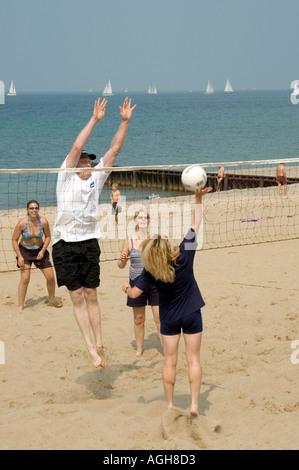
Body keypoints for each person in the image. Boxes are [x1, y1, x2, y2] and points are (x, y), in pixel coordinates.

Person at [52, 97, 136, 368]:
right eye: (85, 161)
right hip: (64, 244)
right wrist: (95, 119)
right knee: (76, 297)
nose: (88, 164)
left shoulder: (96, 179)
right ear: (76, 164)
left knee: (91, 295)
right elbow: (76, 146)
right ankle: (90, 348)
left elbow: (114, 150)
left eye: (90, 161)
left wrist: (124, 122)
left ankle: (100, 343)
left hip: (89, 242)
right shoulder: (65, 177)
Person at [122, 185, 212, 416]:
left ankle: (171, 406)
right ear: (167, 246)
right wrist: (198, 197)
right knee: (193, 360)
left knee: (170, 362)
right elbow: (196, 222)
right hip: (192, 314)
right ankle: (193, 404)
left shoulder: (151, 270)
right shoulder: (184, 255)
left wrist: (125, 287)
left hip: (169, 318)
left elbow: (133, 294)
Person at [118, 210, 160, 356]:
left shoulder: (155, 239)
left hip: (154, 282)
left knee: (159, 318)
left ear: (148, 221)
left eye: (145, 217)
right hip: (136, 282)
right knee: (138, 319)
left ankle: (167, 347)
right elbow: (121, 265)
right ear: (135, 221)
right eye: (140, 217)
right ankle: (139, 348)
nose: (143, 220)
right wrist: (122, 260)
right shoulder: (128, 241)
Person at [12, 200, 63, 312]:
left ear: (38, 209)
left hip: (40, 251)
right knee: (25, 279)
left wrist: (43, 250)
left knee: (50, 277)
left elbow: (48, 237)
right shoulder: (21, 223)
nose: (34, 210)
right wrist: (19, 256)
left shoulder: (43, 222)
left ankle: (52, 299)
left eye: (36, 208)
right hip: (25, 252)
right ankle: (21, 305)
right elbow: (14, 240)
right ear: (27, 210)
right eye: (31, 208)